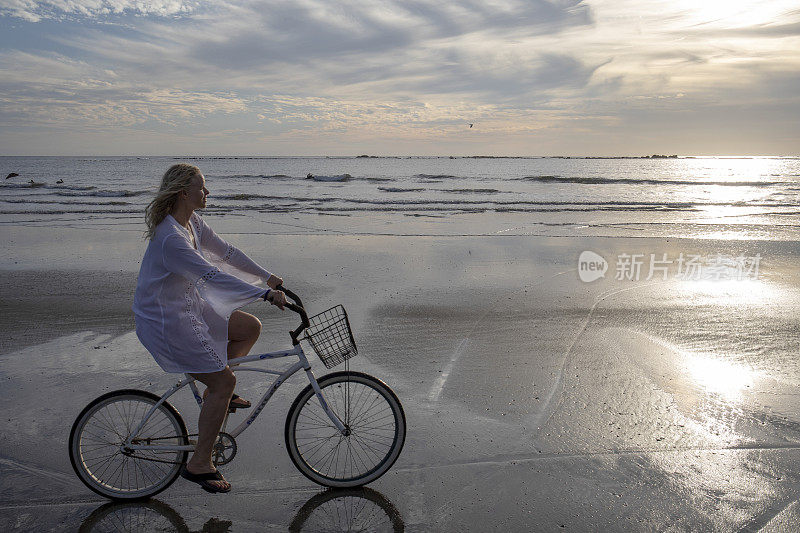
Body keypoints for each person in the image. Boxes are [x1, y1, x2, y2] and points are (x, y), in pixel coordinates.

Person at [132, 163, 286, 493]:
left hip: (189, 306)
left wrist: (267, 276)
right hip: (165, 320)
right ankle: (200, 461)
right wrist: (264, 293)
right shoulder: (171, 238)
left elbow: (226, 253)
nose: (208, 192)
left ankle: (218, 395)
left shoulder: (192, 223)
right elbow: (211, 275)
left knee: (249, 329)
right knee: (224, 381)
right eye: (202, 187)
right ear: (183, 193)